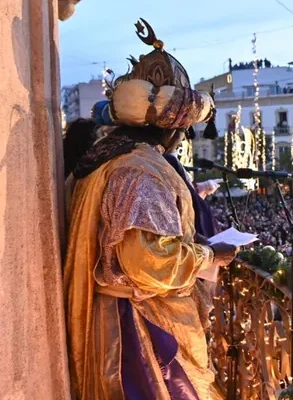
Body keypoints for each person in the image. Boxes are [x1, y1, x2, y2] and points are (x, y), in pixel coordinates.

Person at [63, 21, 237, 399]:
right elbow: (145, 260)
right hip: (141, 333)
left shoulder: (112, 158)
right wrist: (209, 254)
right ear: (174, 129)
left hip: (121, 320)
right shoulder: (140, 170)